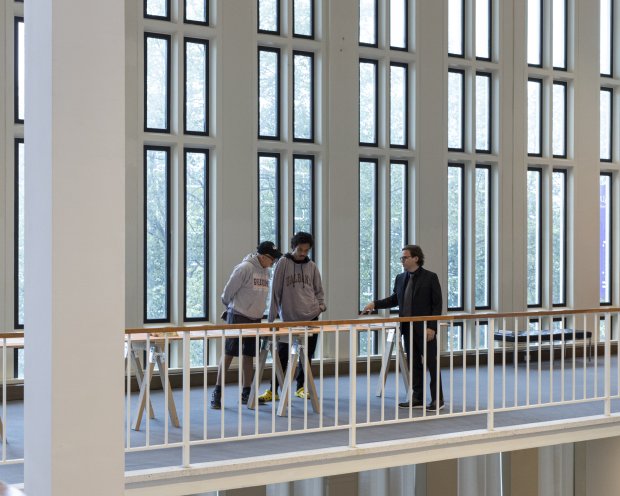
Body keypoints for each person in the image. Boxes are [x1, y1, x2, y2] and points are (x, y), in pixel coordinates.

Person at [362, 244, 444, 411]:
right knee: (413, 364)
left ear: (416, 258)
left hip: (425, 329)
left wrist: (432, 327)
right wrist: (375, 304)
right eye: (401, 258)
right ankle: (417, 398)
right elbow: (395, 299)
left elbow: (437, 305)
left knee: (431, 364)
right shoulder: (400, 278)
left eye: (405, 257)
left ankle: (437, 400)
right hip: (407, 328)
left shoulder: (430, 277)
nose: (402, 261)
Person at [210, 241, 282, 409]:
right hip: (238, 316)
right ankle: (217, 392)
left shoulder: (265, 272)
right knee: (229, 353)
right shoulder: (244, 268)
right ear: (264, 257)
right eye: (272, 260)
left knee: (249, 356)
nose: (273, 263)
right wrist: (230, 308)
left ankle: (246, 393)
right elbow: (227, 293)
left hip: (255, 319)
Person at [258, 232, 326, 403]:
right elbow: (275, 292)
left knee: (307, 354)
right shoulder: (283, 263)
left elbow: (318, 290)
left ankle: (301, 387)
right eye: (300, 249)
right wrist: (271, 320)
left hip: (311, 317)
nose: (303, 253)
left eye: (306, 250)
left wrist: (321, 306)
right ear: (293, 247)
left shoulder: (312, 266)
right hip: (288, 319)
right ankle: (274, 389)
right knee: (282, 355)